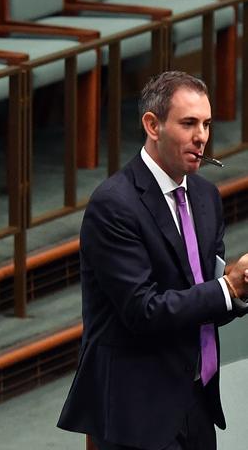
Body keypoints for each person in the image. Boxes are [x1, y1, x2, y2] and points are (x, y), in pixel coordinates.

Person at [58, 70, 248, 450]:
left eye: (207, 124)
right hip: (136, 409)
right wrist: (226, 289)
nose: (202, 137)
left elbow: (202, 296)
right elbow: (142, 311)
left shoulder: (206, 197)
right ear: (152, 125)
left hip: (195, 399)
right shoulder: (114, 205)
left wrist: (238, 289)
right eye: (189, 123)